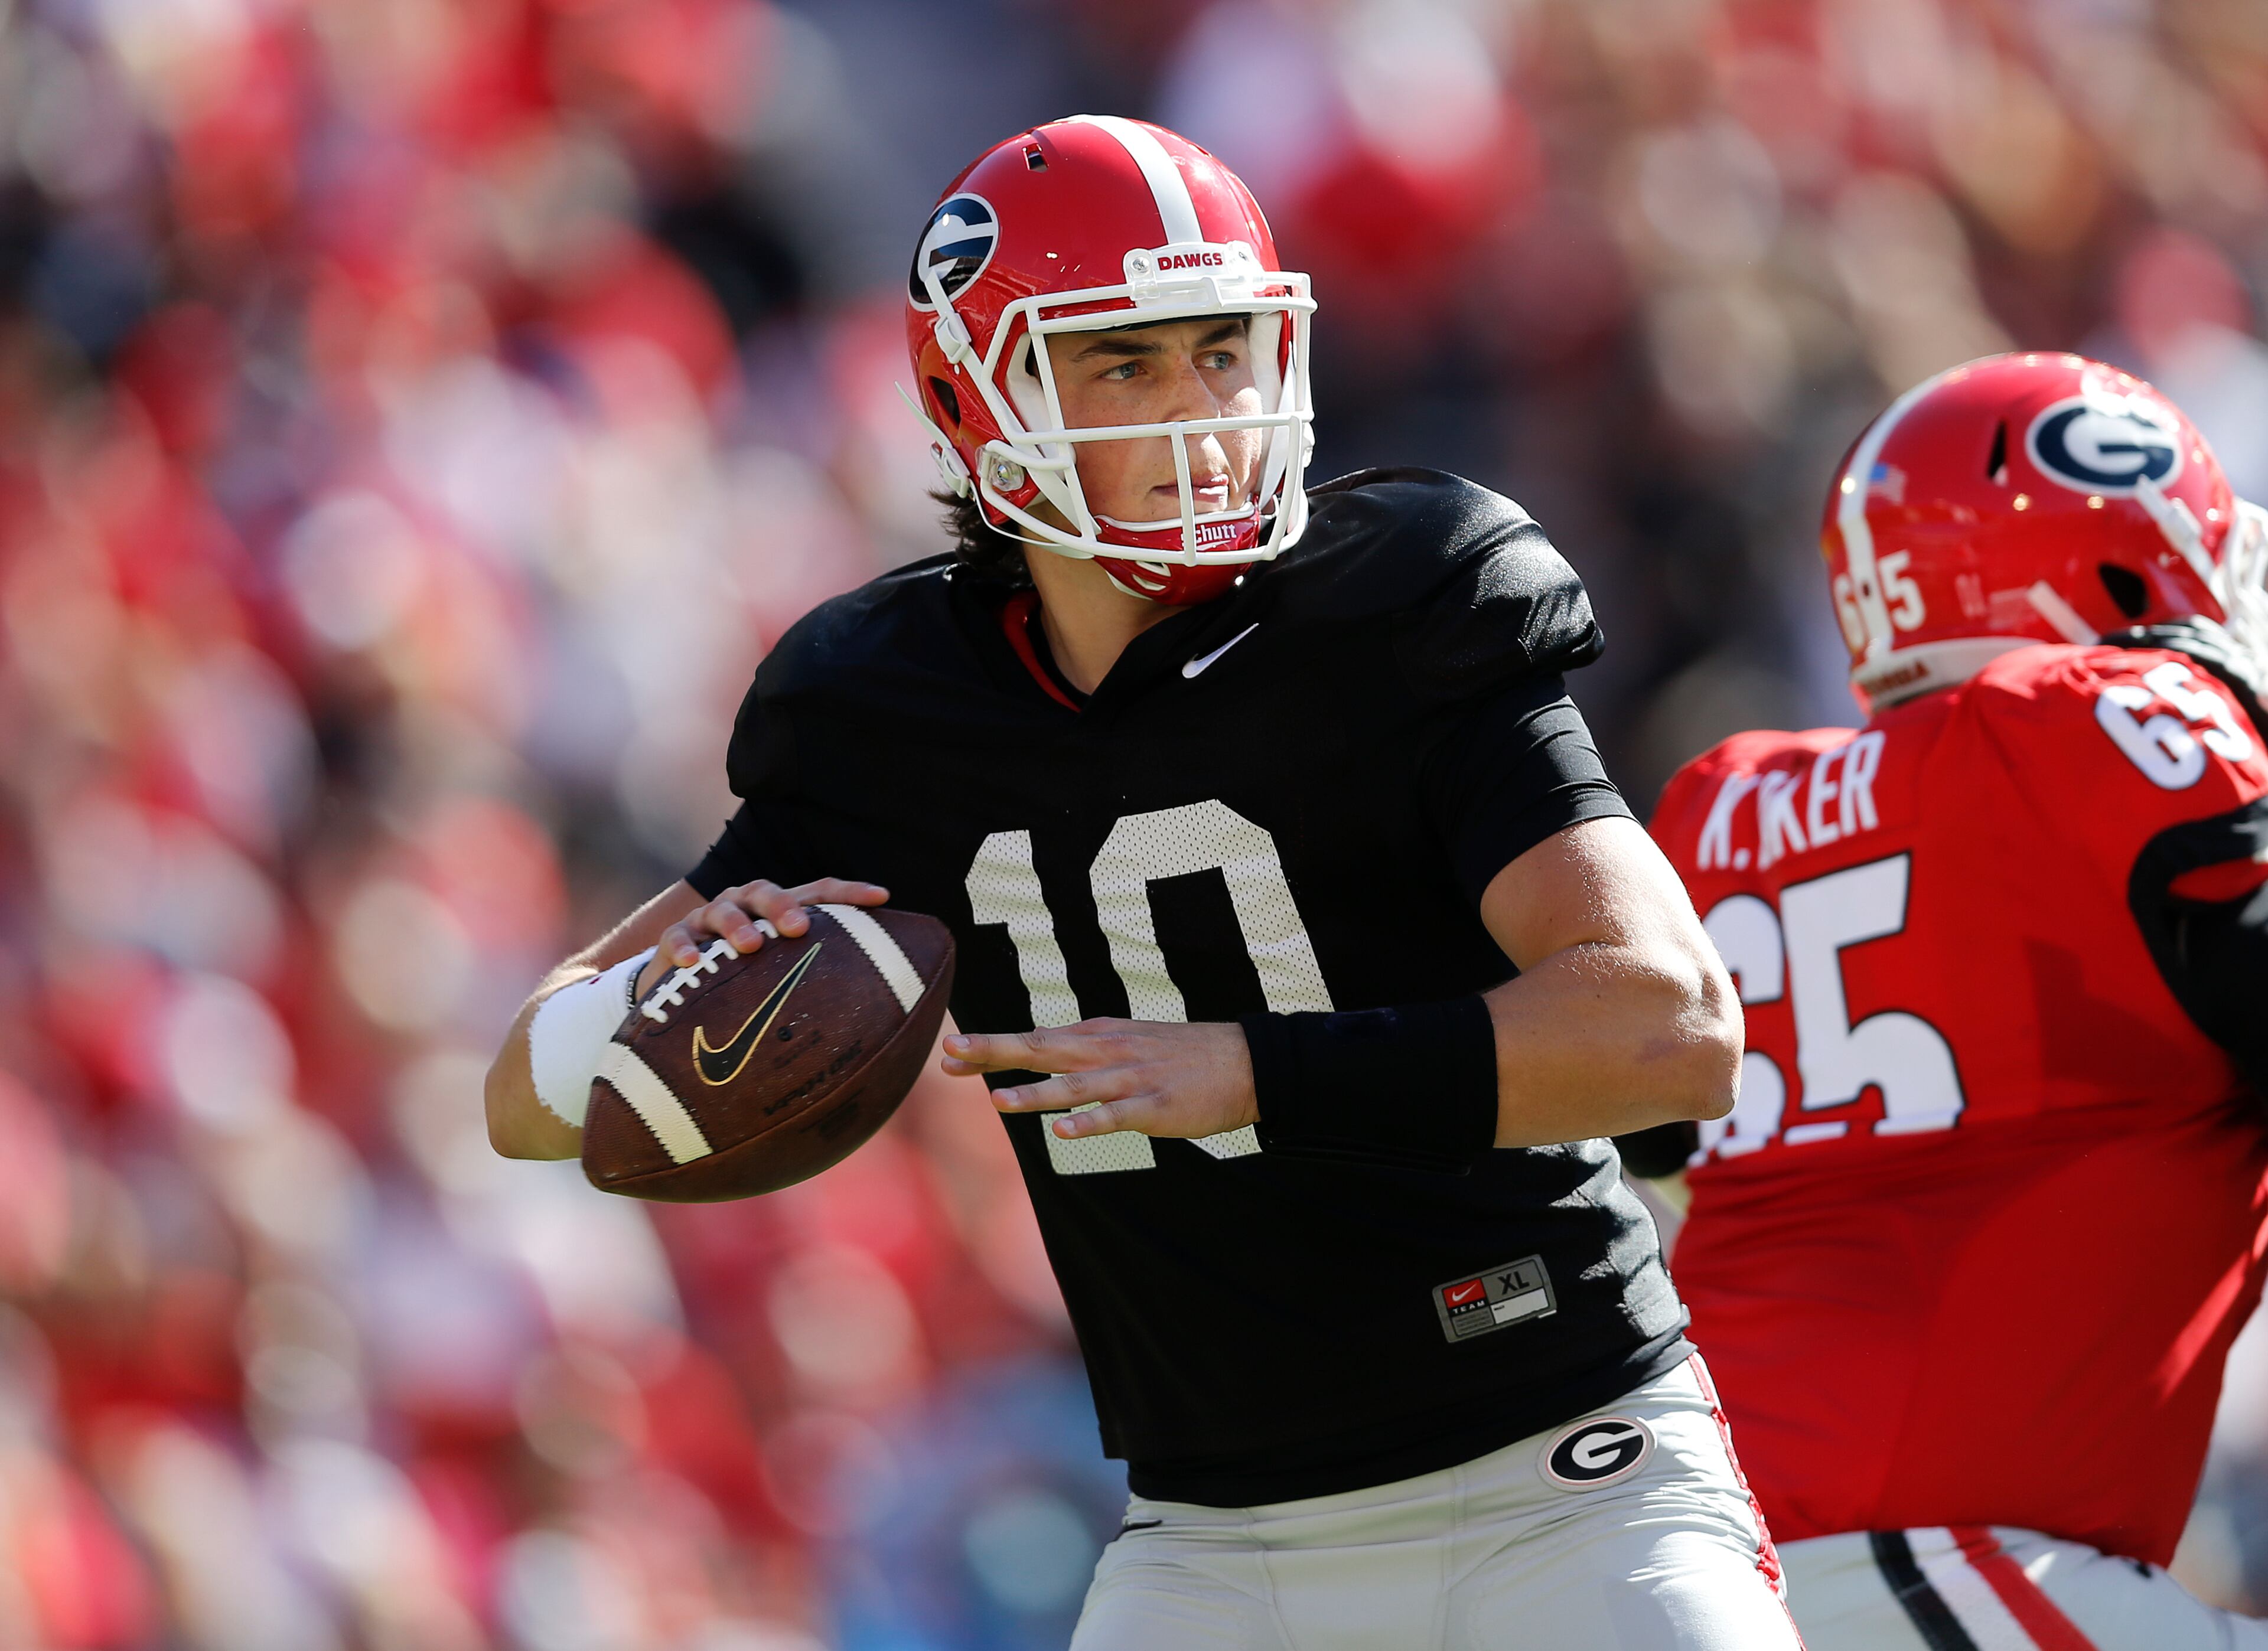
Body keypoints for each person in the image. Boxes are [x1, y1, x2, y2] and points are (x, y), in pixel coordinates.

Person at [486, 116, 1801, 1647]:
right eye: (1128, 365)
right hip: (1215, 1540)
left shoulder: (1401, 605)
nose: (1209, 413)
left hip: (1564, 1469)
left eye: (1227, 350)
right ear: (979, 404)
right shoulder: (891, 709)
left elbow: (1671, 1025)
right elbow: (532, 1094)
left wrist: (1252, 1071)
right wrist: (697, 967)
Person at [1632, 353, 2268, 1649]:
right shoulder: (2104, 729)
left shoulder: (1721, 803)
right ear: (2126, 560)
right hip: (1927, 1563)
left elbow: (1653, 1148)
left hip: (1678, 1561)